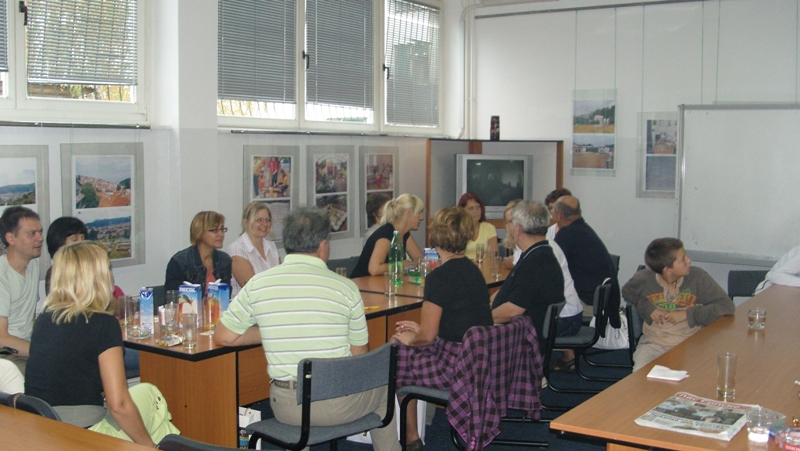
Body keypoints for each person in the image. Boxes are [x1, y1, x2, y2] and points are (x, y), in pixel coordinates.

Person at [213, 207, 400, 451]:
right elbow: (359, 356)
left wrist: (274, 329)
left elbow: (223, 336)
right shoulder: (345, 288)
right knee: (384, 389)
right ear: (323, 246)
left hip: (286, 407)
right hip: (338, 404)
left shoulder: (258, 284)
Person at [25, 241, 180, 446]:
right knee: (149, 393)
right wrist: (148, 446)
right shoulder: (102, 323)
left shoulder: (44, 320)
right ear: (97, 277)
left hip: (43, 430)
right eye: (108, 268)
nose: (111, 275)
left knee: (152, 420)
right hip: (85, 434)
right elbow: (118, 405)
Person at [392, 207, 493, 450]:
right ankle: (419, 425)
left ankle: (411, 437)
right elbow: (459, 319)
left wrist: (411, 338)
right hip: (480, 360)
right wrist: (421, 330)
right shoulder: (473, 271)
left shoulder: (439, 277)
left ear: (436, 236)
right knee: (410, 343)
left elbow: (427, 337)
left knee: (398, 350)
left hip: (455, 367)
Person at [622, 238, 734, 372]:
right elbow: (627, 291)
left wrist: (687, 314)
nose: (689, 260)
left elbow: (726, 306)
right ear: (668, 270)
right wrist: (648, 308)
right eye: (683, 259)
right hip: (654, 344)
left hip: (692, 342)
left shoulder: (697, 277)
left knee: (701, 375)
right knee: (641, 376)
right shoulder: (644, 279)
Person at [501, 201, 584, 371]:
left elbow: (514, 309)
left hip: (562, 320)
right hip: (556, 316)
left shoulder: (538, 257)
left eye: (512, 222)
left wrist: (484, 316)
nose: (510, 227)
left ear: (519, 228)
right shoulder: (537, 249)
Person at [491, 201, 565, 345]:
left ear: (518, 228)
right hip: (521, 332)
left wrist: (481, 317)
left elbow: (513, 311)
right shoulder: (537, 253)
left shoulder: (536, 262)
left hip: (521, 340)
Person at [552, 195, 621, 324]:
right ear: (580, 212)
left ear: (559, 215)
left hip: (588, 306)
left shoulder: (566, 234)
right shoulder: (585, 230)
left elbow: (550, 267)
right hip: (605, 303)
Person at [0, 206, 43, 374]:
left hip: (27, 347)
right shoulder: (2, 275)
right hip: (7, 355)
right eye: (32, 234)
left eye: (40, 232)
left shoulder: (33, 265)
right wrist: (45, 351)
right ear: (11, 238)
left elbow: (30, 318)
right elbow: (2, 340)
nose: (40, 238)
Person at [350, 194, 424, 279]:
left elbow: (419, 259)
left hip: (382, 283)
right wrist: (400, 265)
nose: (421, 217)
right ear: (408, 213)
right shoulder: (385, 234)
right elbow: (374, 269)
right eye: (419, 213)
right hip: (362, 283)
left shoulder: (404, 234)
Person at [165, 211, 232, 294]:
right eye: (215, 230)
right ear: (199, 232)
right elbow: (172, 296)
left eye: (222, 229)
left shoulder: (224, 260)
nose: (221, 234)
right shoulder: (180, 262)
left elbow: (226, 294)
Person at [227, 203, 280, 298]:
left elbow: (281, 277)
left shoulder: (271, 246)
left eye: (267, 220)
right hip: (249, 305)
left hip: (272, 301)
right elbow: (252, 289)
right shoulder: (237, 249)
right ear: (245, 222)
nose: (264, 224)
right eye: (259, 220)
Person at [457, 193, 498, 260]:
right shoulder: (457, 229)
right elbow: (455, 256)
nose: (475, 211)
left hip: (485, 265)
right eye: (471, 208)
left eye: (478, 207)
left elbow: (493, 255)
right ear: (462, 211)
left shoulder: (489, 228)